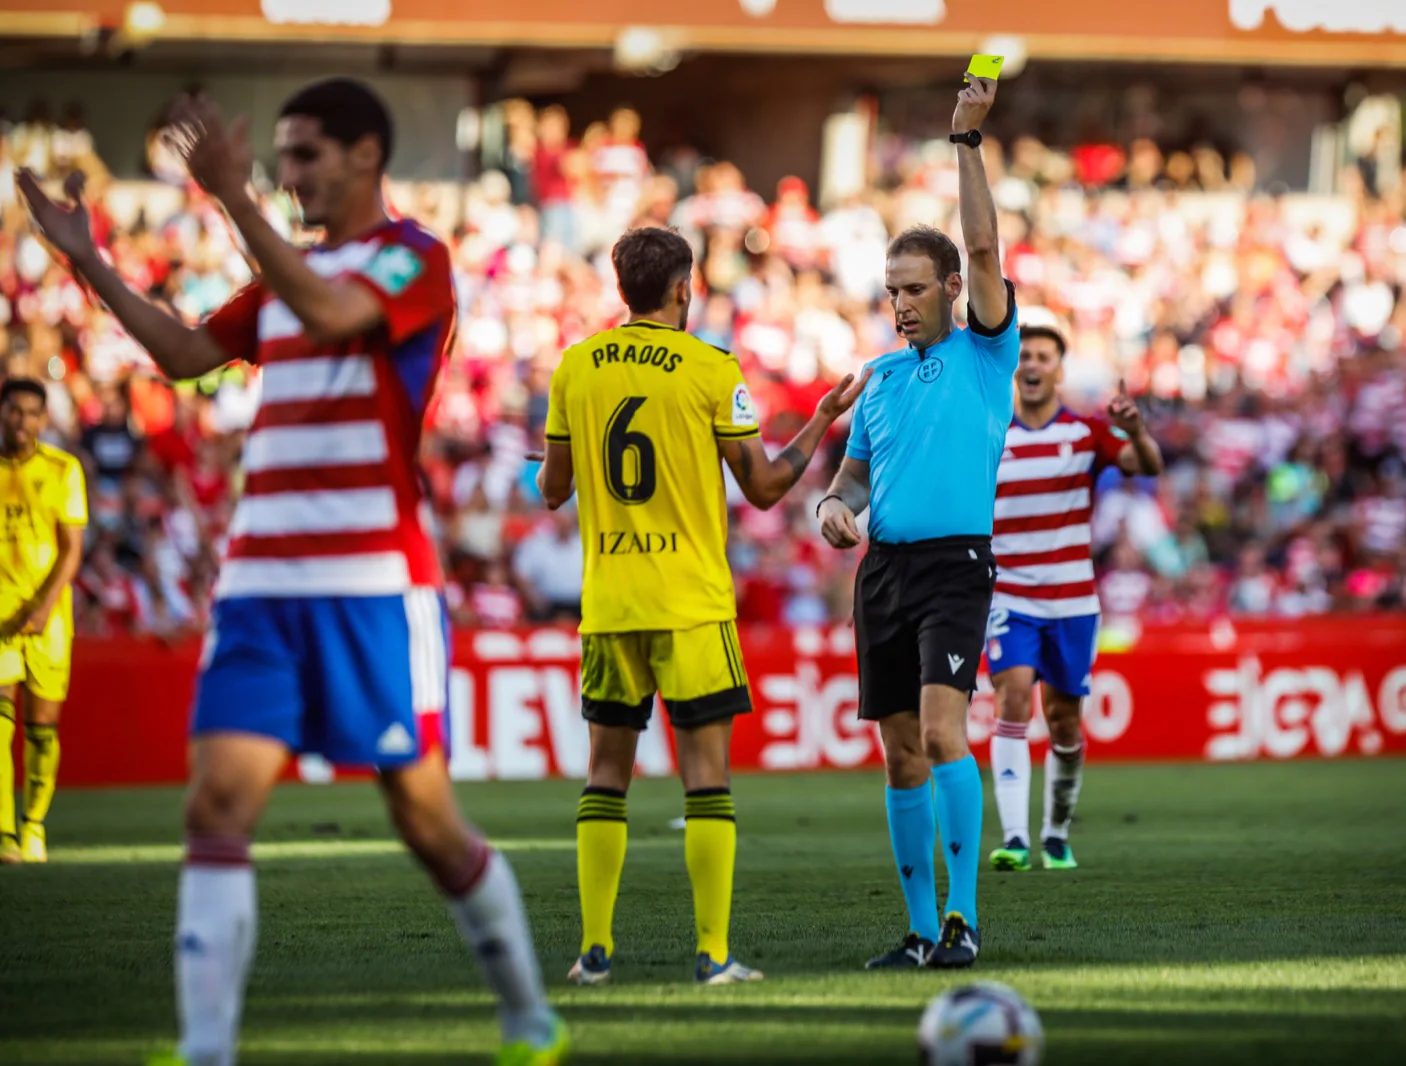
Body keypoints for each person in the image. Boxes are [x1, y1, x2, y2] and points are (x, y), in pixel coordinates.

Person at [19, 78, 568, 1066]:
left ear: (366, 156)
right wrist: (89, 260)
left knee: (427, 821)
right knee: (215, 805)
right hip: (259, 583)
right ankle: (207, 1046)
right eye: (280, 155)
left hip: (370, 581)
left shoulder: (413, 259)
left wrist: (233, 201)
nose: (287, 172)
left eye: (306, 153)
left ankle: (529, 1016)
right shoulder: (287, 273)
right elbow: (186, 354)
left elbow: (326, 311)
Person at [536, 225, 868, 986]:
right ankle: (713, 955)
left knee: (605, 777)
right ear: (682, 288)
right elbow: (764, 486)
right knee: (707, 781)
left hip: (611, 602)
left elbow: (552, 490)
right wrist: (819, 420)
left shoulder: (575, 368)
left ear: (624, 287)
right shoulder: (711, 368)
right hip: (690, 600)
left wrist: (569, 461)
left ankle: (593, 953)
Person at [815, 69, 1014, 971]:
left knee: (942, 733)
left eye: (912, 287)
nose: (899, 301)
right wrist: (833, 507)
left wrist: (965, 144)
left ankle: (966, 921)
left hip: (954, 568)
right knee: (899, 755)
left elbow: (981, 239)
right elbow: (853, 480)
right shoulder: (881, 380)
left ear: (949, 288)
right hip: (884, 573)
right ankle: (921, 931)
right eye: (891, 288)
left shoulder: (985, 350)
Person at [983, 326, 1163, 874]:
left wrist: (1135, 428)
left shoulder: (1086, 434)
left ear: (1059, 371)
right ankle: (1015, 837)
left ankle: (1055, 833)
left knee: (1064, 721)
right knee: (1012, 698)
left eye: (1044, 357)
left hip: (1071, 600)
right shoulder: (990, 434)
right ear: (1015, 369)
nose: (1033, 365)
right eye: (1025, 356)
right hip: (1010, 595)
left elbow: (1148, 465)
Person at [0, 378, 87, 865]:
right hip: (0, 612)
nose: (23, 421)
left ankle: (34, 826)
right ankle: (4, 832)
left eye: (33, 413)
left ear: (43, 418)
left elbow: (72, 550)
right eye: (15, 411)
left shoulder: (62, 469)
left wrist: (43, 605)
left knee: (42, 727)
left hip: (48, 615)